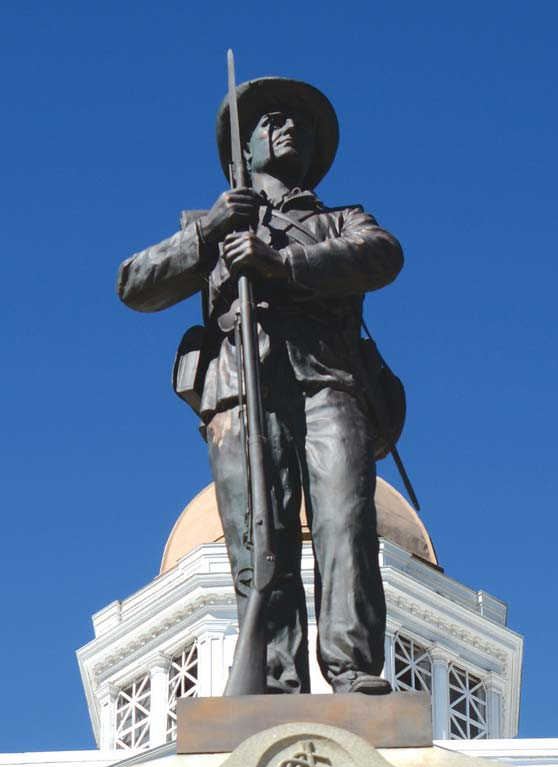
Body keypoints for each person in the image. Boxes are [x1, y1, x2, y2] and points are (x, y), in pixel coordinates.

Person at [117, 78, 404, 695]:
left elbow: (382, 255)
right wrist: (211, 231)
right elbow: (135, 285)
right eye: (271, 120)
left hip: (329, 379)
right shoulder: (213, 224)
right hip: (240, 387)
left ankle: (353, 668)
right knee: (259, 532)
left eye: (297, 122)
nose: (287, 127)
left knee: (345, 519)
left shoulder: (340, 219)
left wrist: (282, 265)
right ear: (241, 151)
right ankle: (276, 679)